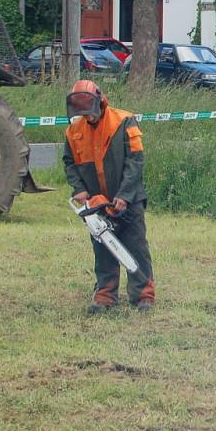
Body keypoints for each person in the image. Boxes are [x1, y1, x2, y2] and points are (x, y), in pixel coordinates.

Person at [62, 80, 155, 314]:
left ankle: (143, 294)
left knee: (136, 247)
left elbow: (135, 161)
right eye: (83, 113)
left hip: (128, 198)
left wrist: (124, 195)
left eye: (90, 112)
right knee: (103, 248)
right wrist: (79, 189)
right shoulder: (74, 131)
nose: (88, 117)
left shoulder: (123, 121)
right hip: (96, 201)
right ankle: (105, 294)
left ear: (100, 101)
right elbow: (70, 163)